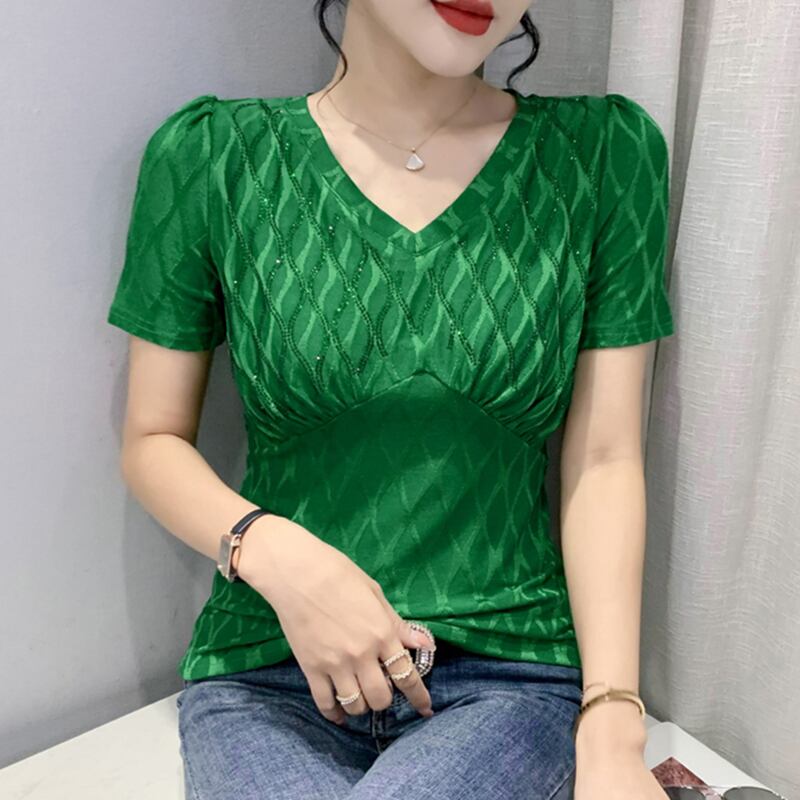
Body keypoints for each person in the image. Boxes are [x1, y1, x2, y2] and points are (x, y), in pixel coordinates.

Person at [106, 1, 676, 798]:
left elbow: (606, 458)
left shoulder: (603, 156)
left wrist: (614, 723)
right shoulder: (211, 157)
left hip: (504, 675)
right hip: (268, 672)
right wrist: (280, 558)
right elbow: (152, 438)